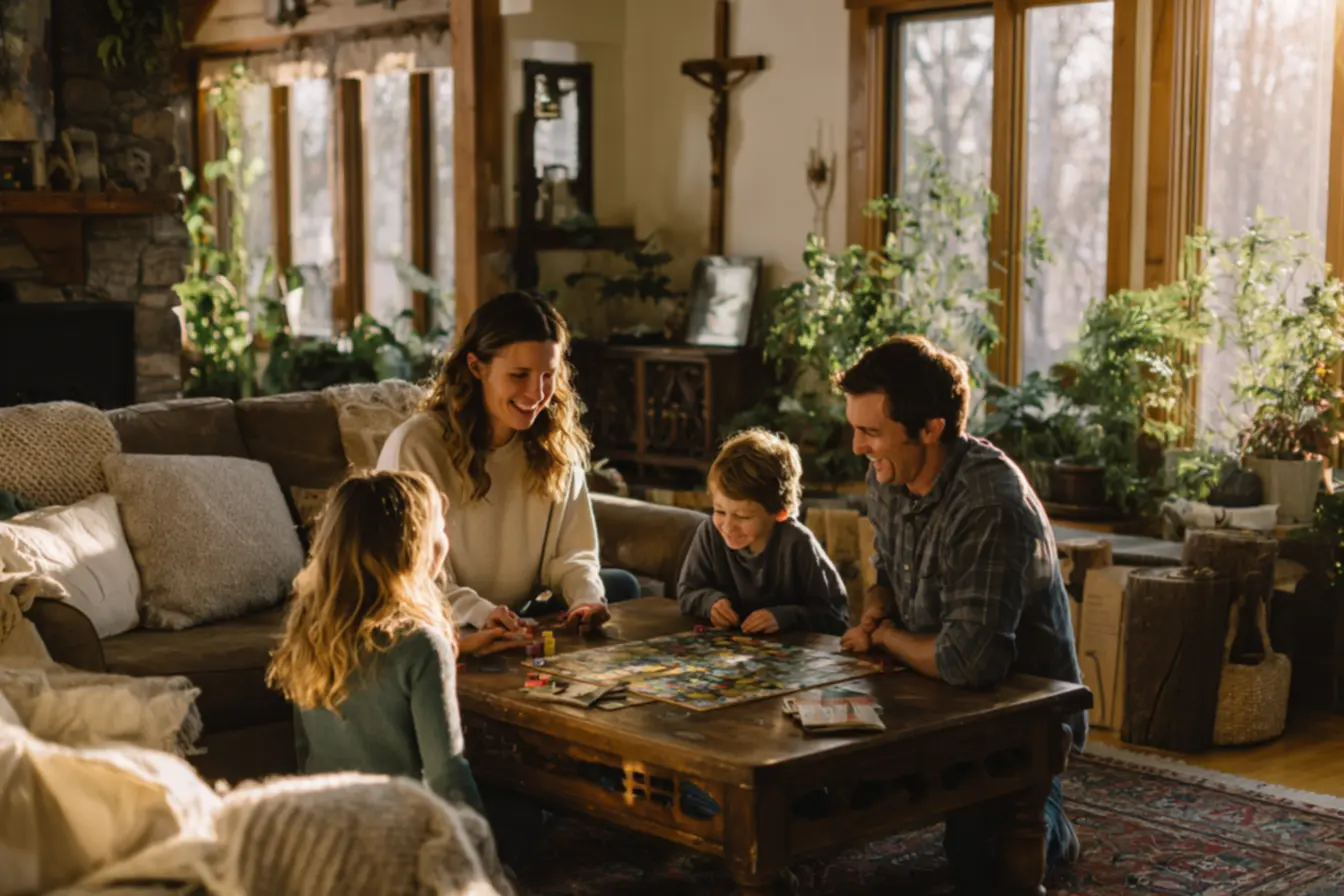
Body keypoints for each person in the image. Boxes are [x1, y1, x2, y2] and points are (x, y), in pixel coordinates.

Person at [835, 335, 1084, 891]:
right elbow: (891, 571)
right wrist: (878, 606)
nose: (857, 446)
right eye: (855, 428)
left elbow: (971, 662)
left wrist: (886, 638)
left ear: (931, 429)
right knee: (817, 790)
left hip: (1012, 706)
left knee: (981, 855)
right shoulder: (890, 476)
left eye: (871, 432)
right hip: (927, 688)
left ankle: (1051, 818)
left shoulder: (989, 503)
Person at [378, 291, 641, 648]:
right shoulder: (416, 446)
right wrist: (479, 611)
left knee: (620, 585)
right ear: (476, 367)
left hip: (522, 609)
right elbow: (412, 576)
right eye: (519, 375)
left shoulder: (555, 443)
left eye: (548, 375)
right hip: (443, 612)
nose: (537, 393)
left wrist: (586, 598)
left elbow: (574, 553)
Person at [266, 470, 487, 819]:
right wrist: (479, 852)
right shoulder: (422, 644)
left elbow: (304, 750)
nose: (445, 536)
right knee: (525, 817)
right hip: (395, 834)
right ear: (415, 547)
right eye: (439, 527)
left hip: (327, 826)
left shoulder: (309, 629)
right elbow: (447, 773)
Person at [678, 428, 849, 635]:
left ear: (780, 513)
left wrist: (785, 617)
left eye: (743, 517)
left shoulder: (798, 543)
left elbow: (835, 616)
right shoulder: (709, 533)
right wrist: (711, 603)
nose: (728, 526)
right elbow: (687, 592)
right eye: (720, 511)